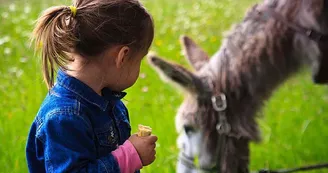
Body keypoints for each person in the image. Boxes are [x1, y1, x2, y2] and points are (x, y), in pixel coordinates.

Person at [25, 0, 157, 172]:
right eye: (139, 60)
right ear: (122, 57)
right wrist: (129, 156)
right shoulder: (65, 117)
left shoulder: (107, 100)